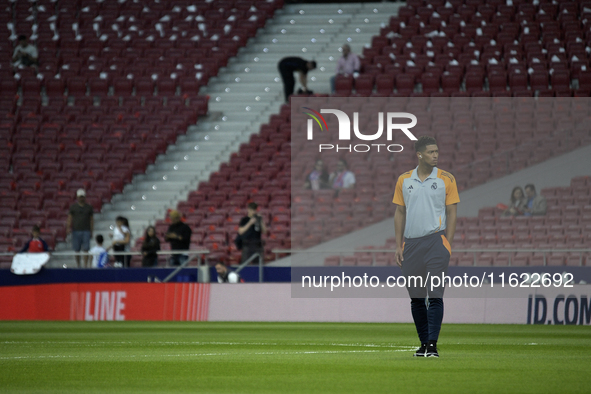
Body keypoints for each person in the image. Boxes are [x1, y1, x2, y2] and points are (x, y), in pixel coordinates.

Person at [393, 136, 460, 358]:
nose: (436, 155)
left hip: (435, 243)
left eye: (437, 151)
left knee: (436, 295)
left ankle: (432, 344)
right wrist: (398, 245)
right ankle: (423, 344)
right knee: (416, 298)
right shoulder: (404, 180)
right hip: (410, 245)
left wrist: (447, 244)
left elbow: (452, 212)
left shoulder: (446, 179)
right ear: (419, 154)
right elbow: (399, 212)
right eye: (431, 152)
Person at [67, 189, 94, 268]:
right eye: (80, 197)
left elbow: (91, 220)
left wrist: (91, 230)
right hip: (76, 230)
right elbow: (70, 218)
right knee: (77, 249)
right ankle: (78, 265)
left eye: (82, 197)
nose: (81, 198)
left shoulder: (89, 207)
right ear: (77, 197)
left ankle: (85, 265)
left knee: (86, 249)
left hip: (86, 230)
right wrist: (68, 227)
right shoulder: (73, 207)